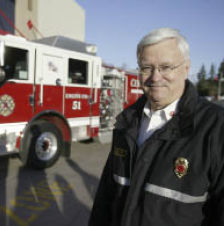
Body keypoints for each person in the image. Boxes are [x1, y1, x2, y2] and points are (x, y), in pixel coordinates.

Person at [89, 27, 224, 226]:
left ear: (186, 68)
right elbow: (106, 196)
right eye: (146, 67)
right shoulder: (126, 123)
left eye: (166, 67)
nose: (155, 77)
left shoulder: (216, 127)